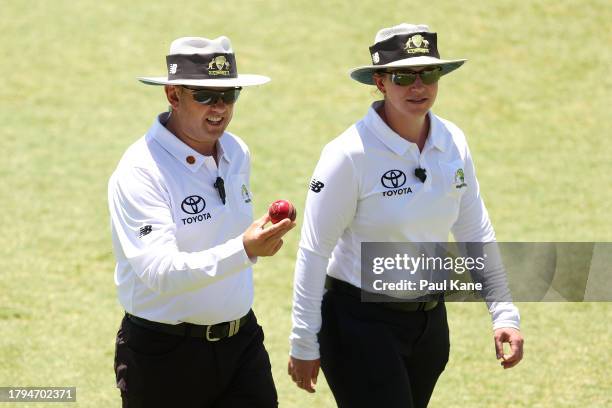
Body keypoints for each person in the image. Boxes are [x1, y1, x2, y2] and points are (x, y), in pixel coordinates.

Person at [287, 24, 524, 408]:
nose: (419, 86)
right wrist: (303, 340)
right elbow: (314, 251)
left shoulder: (453, 142)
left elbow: (474, 230)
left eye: (428, 73)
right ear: (380, 82)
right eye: (403, 76)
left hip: (429, 325)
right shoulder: (347, 155)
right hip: (358, 325)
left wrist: (504, 314)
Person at [108, 36, 294, 407]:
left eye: (229, 94)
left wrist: (259, 236)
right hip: (163, 356)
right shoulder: (140, 171)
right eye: (205, 95)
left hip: (242, 346)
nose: (220, 107)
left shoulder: (237, 152)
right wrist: (244, 249)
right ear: (173, 96)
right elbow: (160, 272)